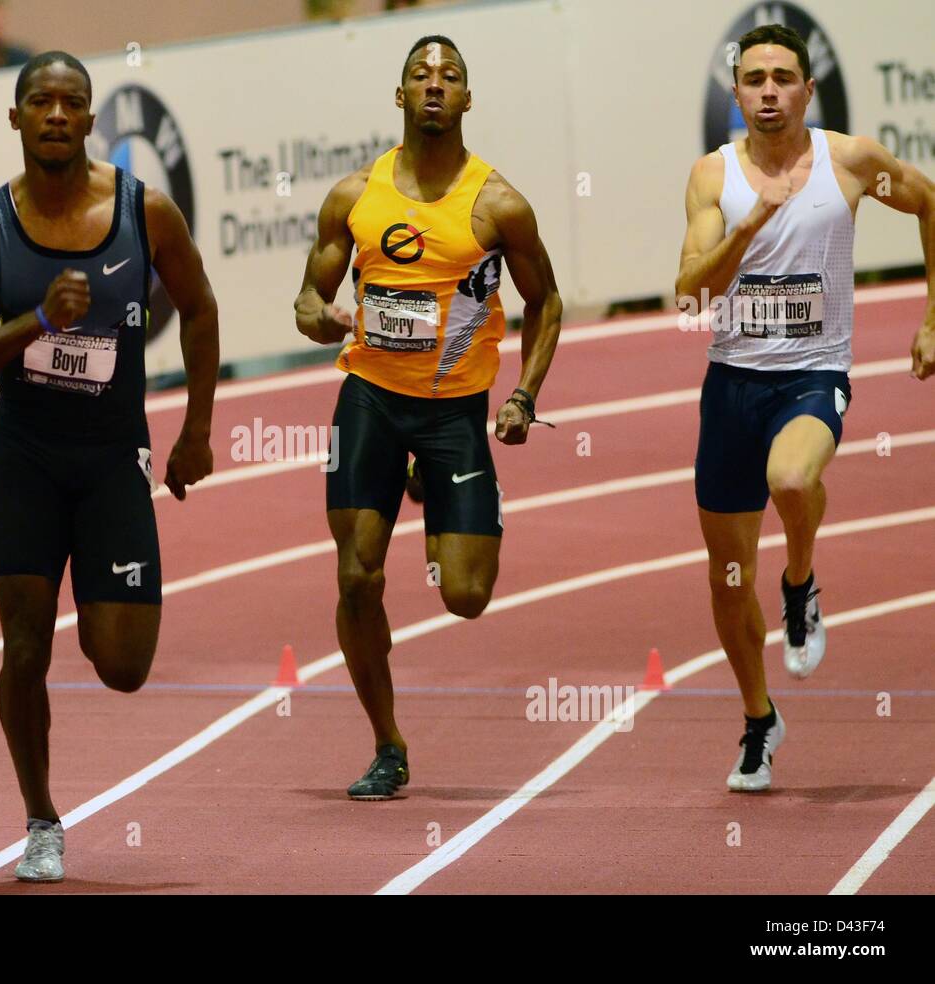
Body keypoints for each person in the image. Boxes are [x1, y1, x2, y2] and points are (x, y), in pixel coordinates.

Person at [0, 51, 219, 881]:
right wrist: (32, 324)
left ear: (91, 122)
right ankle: (41, 819)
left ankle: (100, 628)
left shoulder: (144, 211)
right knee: (25, 647)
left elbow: (199, 310)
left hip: (109, 462)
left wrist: (196, 429)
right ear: (16, 121)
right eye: (40, 102)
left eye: (72, 103)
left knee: (124, 665)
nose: (56, 114)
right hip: (22, 460)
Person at [294, 35, 562, 800]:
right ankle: (387, 744)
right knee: (356, 575)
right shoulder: (355, 196)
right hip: (371, 398)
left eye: (450, 76)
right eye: (421, 74)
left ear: (468, 100)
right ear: (400, 95)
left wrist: (522, 396)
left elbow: (547, 302)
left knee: (466, 597)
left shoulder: (498, 204)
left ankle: (429, 479)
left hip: (454, 414)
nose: (435, 85)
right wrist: (317, 315)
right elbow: (309, 296)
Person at [674, 24, 935, 792]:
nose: (767, 92)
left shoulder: (848, 162)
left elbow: (929, 202)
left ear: (807, 90)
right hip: (732, 386)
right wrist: (751, 221)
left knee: (792, 481)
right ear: (736, 94)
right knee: (726, 580)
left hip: (812, 375)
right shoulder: (711, 176)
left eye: (782, 78)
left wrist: (932, 317)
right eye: (753, 79)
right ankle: (759, 720)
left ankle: (801, 582)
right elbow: (691, 289)